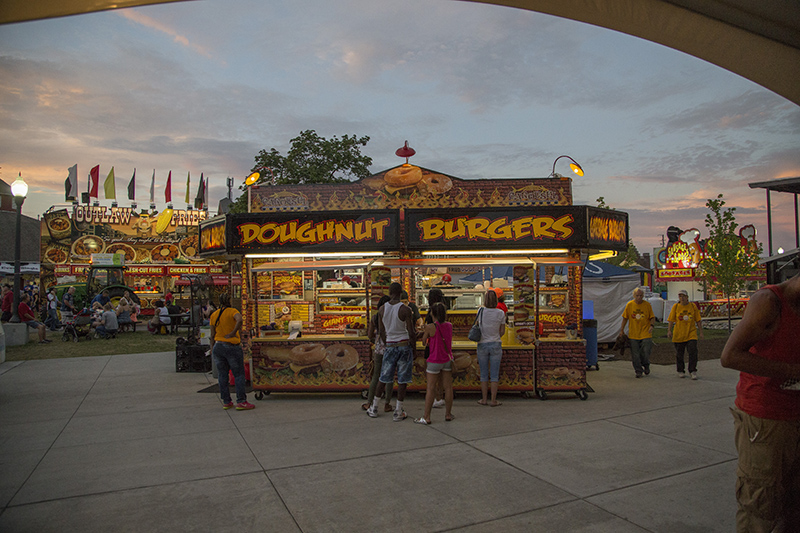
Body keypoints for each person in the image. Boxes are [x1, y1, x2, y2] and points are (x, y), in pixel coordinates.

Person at [720, 270, 800, 532]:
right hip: (765, 420)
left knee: (793, 504)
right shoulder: (769, 301)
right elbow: (730, 356)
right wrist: (791, 371)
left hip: (794, 414)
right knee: (759, 504)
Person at [367, 282, 416, 421]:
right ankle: (398, 411)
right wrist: (414, 347)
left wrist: (388, 343)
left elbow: (381, 332)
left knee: (383, 377)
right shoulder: (405, 309)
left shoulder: (382, 309)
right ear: (401, 293)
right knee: (402, 380)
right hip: (404, 345)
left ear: (389, 293)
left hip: (390, 345)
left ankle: (374, 407)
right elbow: (411, 332)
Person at [210, 293, 254, 410]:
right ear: (229, 301)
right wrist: (234, 332)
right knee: (239, 374)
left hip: (218, 347)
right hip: (231, 346)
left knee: (222, 375)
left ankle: (226, 401)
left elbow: (212, 334)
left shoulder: (214, 314)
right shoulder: (232, 311)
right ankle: (241, 401)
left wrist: (211, 348)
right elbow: (240, 320)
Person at [415, 302, 455, 424]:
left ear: (432, 313)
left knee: (431, 389)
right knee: (448, 387)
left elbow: (423, 342)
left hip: (434, 360)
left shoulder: (430, 327)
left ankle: (426, 417)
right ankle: (448, 414)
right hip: (447, 359)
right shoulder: (449, 325)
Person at [361, 295, 394, 412]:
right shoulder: (392, 316)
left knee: (376, 376)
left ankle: (369, 402)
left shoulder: (375, 317)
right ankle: (387, 404)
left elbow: (370, 335)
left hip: (379, 349)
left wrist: (375, 338)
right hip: (391, 347)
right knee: (389, 377)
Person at [476, 289, 506, 407]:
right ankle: (493, 400)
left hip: (482, 344)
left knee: (483, 374)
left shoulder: (480, 311)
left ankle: (484, 399)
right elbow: (502, 331)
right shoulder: (500, 313)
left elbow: (478, 326)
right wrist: (495, 336)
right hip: (495, 344)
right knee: (494, 374)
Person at [619, 287, 655, 378]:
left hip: (645, 332)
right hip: (633, 334)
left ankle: (646, 364)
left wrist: (651, 326)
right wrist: (622, 330)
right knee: (635, 354)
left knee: (645, 350)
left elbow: (652, 317)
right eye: (637, 296)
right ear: (634, 296)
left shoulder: (647, 305)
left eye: (640, 295)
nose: (639, 297)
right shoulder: (630, 305)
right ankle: (638, 370)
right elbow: (625, 318)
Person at [667, 289, 703, 379]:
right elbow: (671, 320)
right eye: (680, 296)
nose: (682, 298)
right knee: (679, 353)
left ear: (687, 297)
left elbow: (698, 320)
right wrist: (669, 330)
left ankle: (692, 370)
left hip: (691, 333)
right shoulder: (676, 307)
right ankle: (680, 370)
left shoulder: (692, 306)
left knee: (693, 351)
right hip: (679, 333)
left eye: (683, 296)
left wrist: (701, 332)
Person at [424, 288, 447, 409]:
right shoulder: (443, 309)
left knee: (432, 378)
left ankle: (436, 398)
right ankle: (441, 397)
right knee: (443, 377)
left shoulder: (433, 310)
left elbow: (427, 332)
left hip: (432, 347)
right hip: (443, 348)